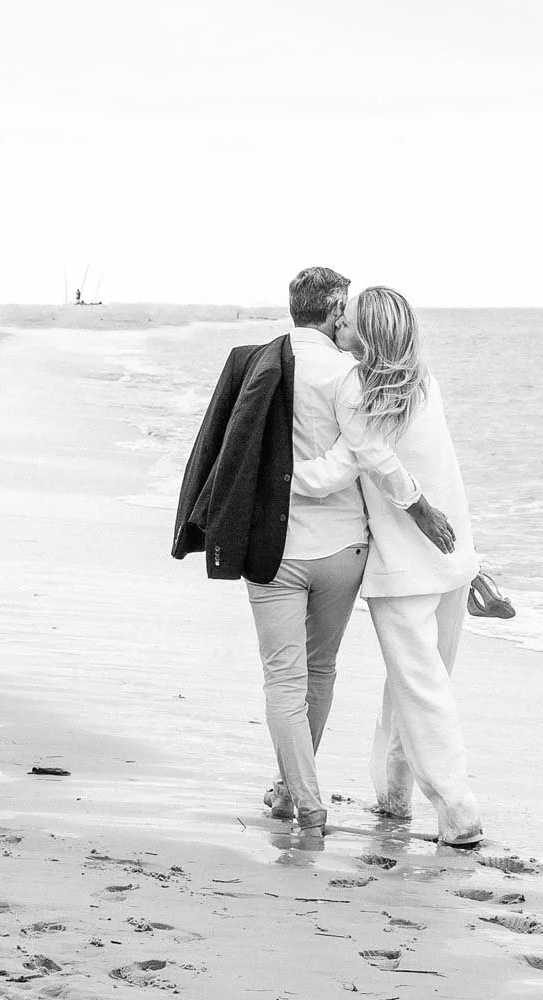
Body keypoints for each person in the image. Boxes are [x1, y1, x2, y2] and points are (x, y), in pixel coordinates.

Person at [173, 268, 453, 841]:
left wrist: (270, 483)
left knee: (283, 680)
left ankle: (303, 798)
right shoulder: (349, 376)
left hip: (273, 552)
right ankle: (291, 789)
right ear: (334, 311)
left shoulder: (254, 363)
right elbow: (371, 453)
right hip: (343, 551)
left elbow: (224, 443)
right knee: (320, 671)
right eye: (345, 310)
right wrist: (420, 507)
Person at [293, 286, 483, 846]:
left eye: (348, 323)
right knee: (419, 685)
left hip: (405, 568)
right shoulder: (425, 385)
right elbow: (405, 461)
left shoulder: (355, 387)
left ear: (369, 335)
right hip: (454, 558)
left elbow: (353, 465)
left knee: (420, 688)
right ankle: (394, 792)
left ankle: (458, 810)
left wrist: (274, 480)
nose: (339, 330)